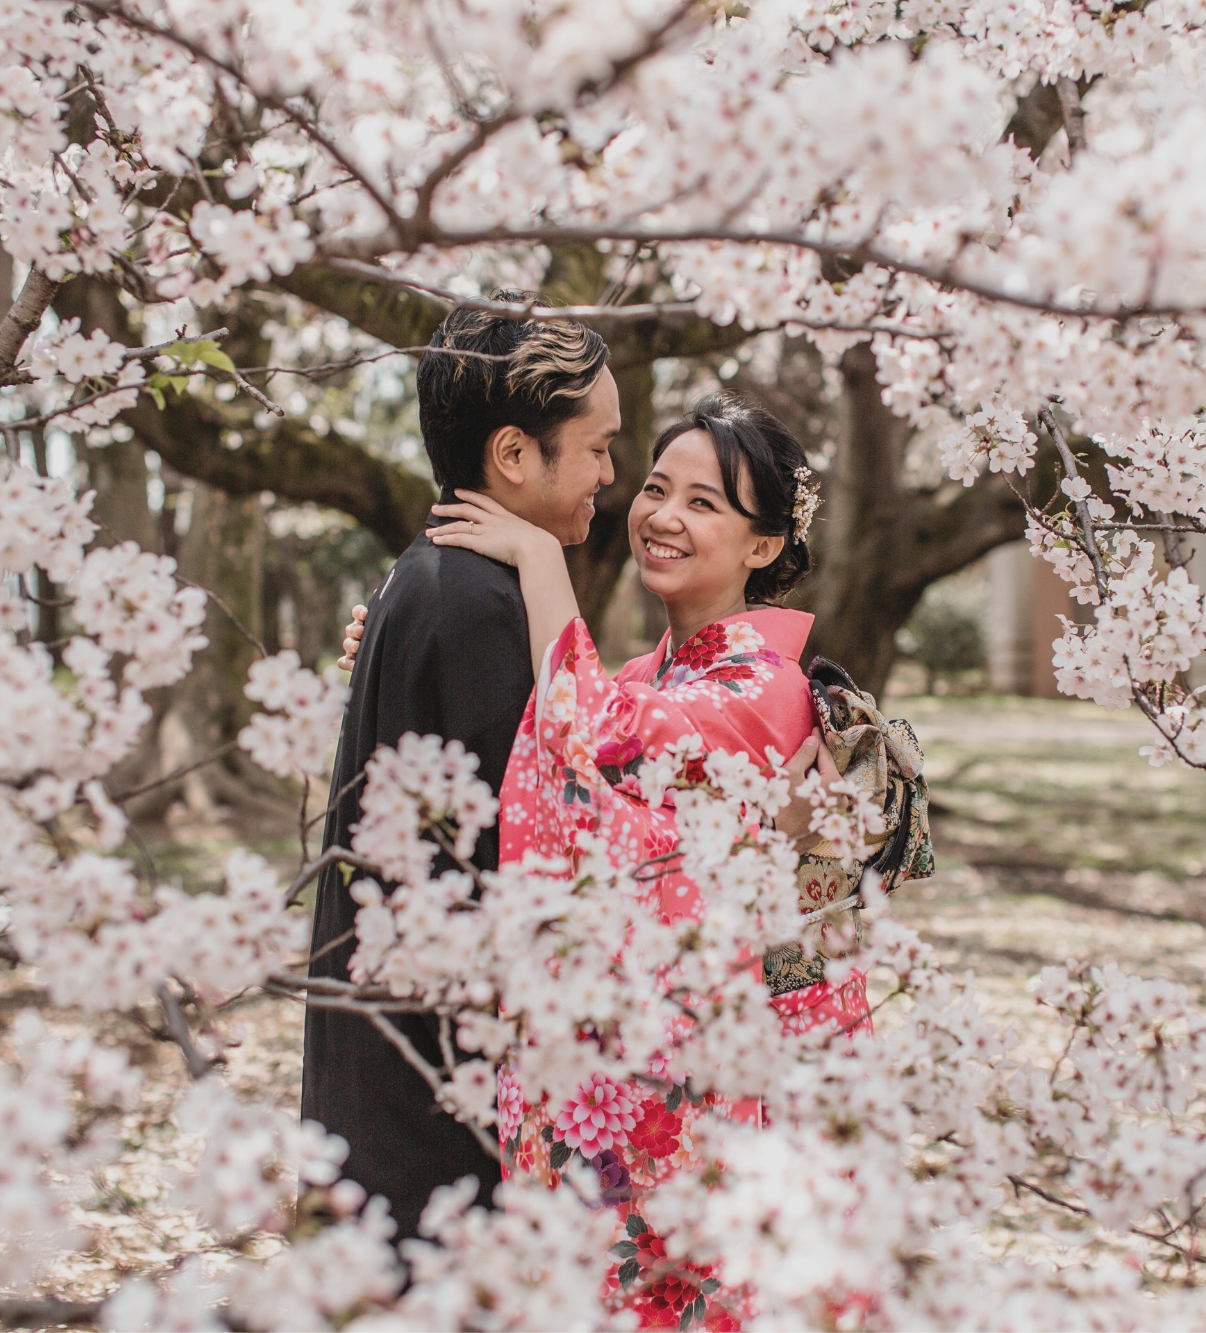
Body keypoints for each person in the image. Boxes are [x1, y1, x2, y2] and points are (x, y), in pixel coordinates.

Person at [426, 395, 854, 1328]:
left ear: (763, 547)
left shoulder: (762, 686)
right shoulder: (650, 674)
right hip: (645, 1083)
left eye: (704, 504)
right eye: (656, 487)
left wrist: (542, 559)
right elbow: (547, 724)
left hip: (700, 1095)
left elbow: (598, 737)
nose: (662, 515)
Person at [300, 292, 622, 1242]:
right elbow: (545, 840)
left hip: (388, 1064)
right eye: (598, 446)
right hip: (439, 1097)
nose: (613, 470)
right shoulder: (479, 602)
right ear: (515, 454)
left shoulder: (430, 573)